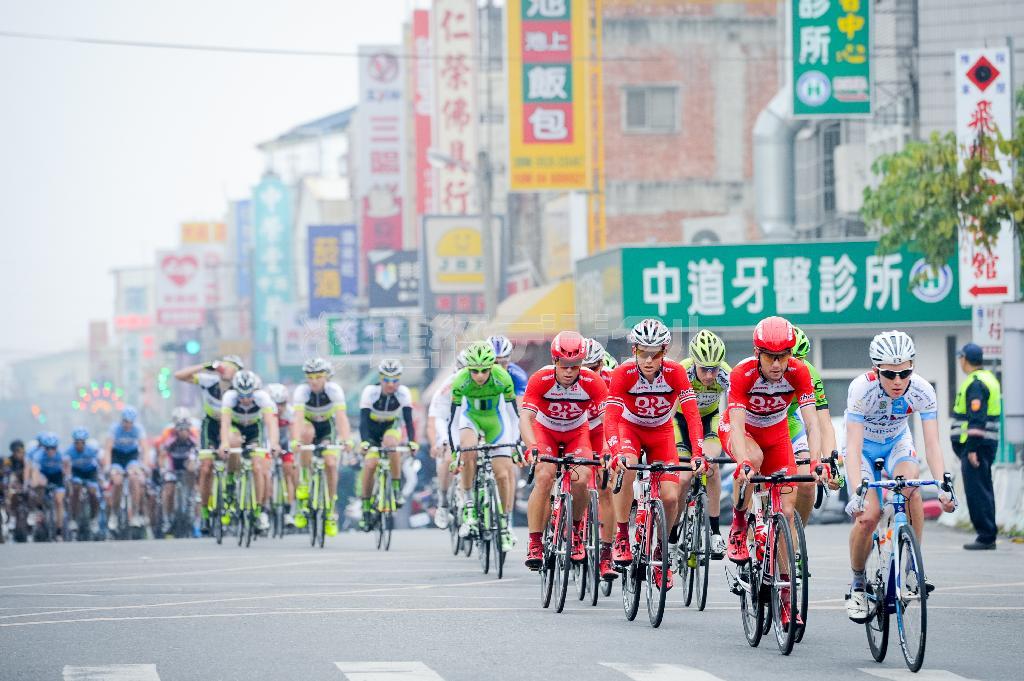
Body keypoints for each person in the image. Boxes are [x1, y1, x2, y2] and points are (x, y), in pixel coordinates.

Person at [843, 330, 956, 621]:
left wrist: (944, 484)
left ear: (912, 368)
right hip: (864, 450)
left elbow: (932, 443)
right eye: (889, 374)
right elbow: (853, 448)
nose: (897, 381)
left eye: (904, 372)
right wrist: (857, 491)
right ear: (875, 370)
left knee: (913, 488)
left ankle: (911, 570)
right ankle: (857, 584)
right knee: (869, 516)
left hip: (897, 443)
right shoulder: (861, 390)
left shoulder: (922, 390)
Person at [721, 316, 825, 629]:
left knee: (786, 512)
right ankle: (739, 525)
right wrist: (742, 461)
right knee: (751, 460)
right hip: (743, 432)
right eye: (771, 357)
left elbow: (811, 422)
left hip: (777, 434)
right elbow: (737, 426)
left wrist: (818, 462)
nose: (778, 364)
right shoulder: (742, 374)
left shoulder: (799, 372)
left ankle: (786, 599)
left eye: (784, 356)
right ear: (758, 353)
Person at [605, 318, 707, 590]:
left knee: (671, 496)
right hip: (630, 429)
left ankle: (661, 554)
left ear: (665, 352)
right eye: (642, 353)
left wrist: (698, 453)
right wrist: (616, 452)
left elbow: (694, 416)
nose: (649, 360)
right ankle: (622, 535)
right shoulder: (623, 373)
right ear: (634, 350)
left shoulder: (675, 373)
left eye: (656, 353)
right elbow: (611, 419)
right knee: (627, 466)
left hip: (661, 433)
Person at [521, 332, 608, 569]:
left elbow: (607, 420)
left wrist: (611, 449)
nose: (569, 371)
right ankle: (535, 542)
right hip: (545, 430)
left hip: (576, 432)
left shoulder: (592, 381)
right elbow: (526, 418)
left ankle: (577, 529)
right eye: (564, 365)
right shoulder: (541, 379)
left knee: (582, 479)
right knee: (544, 476)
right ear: (555, 361)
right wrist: (532, 449)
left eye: (575, 365)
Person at [448, 341, 520, 544]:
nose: (479, 375)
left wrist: (516, 445)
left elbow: (515, 417)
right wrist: (456, 452)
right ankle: (469, 507)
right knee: (468, 452)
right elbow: (452, 422)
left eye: (484, 370)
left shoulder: (502, 377)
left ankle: (505, 525)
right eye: (475, 371)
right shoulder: (460, 380)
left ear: (491, 367)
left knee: (503, 474)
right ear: (468, 369)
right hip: (471, 419)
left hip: (496, 422)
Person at [673, 329, 731, 558]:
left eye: (714, 369)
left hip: (709, 420)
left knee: (713, 466)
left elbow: (736, 406)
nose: (709, 375)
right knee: (684, 477)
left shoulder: (726, 374)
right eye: (704, 369)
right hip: (681, 421)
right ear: (694, 363)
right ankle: (672, 532)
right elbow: (669, 411)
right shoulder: (682, 372)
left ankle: (715, 532)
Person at [175, 355, 243, 531]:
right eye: (223, 366)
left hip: (231, 425)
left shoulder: (241, 386)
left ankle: (229, 482)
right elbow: (179, 375)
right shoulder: (209, 380)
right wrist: (205, 365)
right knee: (206, 468)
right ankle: (205, 513)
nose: (225, 369)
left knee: (234, 445)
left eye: (230, 367)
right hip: (211, 425)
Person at [292, 357, 352, 536]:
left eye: (318, 377)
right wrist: (296, 441)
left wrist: (346, 439)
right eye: (310, 377)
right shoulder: (302, 391)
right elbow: (298, 418)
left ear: (326, 377)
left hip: (327, 427)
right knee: (305, 434)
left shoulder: (334, 390)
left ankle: (330, 509)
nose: (313, 381)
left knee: (331, 463)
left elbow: (341, 417)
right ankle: (304, 481)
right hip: (309, 426)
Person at [358, 359, 418, 530]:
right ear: (380, 378)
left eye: (395, 380)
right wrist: (364, 442)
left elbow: (408, 420)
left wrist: (412, 441)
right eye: (386, 380)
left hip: (390, 428)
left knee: (392, 444)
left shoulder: (404, 393)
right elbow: (363, 421)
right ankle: (366, 507)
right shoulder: (370, 392)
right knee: (370, 465)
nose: (391, 384)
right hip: (371, 432)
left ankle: (396, 490)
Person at [952, 342, 1001, 551]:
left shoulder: (976, 383)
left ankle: (986, 535)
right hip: (983, 445)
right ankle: (987, 533)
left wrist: (971, 448)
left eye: (960, 358)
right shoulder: (988, 379)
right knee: (983, 487)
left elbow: (977, 418)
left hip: (976, 447)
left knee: (977, 490)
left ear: (965, 359)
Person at [788, 326, 839, 526]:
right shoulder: (768, 369)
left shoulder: (809, 373)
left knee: (808, 482)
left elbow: (823, 423)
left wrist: (831, 464)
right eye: (791, 358)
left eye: (801, 358)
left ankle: (796, 540)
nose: (796, 364)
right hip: (761, 422)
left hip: (790, 421)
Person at [219, 370, 280, 532]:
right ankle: (231, 481)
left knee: (258, 467)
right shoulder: (229, 397)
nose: (245, 399)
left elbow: (270, 424)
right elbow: (224, 424)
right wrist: (224, 444)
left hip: (254, 429)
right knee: (232, 443)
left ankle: (259, 509)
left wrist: (274, 444)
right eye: (241, 395)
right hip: (236, 427)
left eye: (249, 395)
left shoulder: (262, 397)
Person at [582, 338, 618, 580]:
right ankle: (559, 511)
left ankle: (606, 555)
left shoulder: (610, 378)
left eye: (594, 367)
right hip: (570, 427)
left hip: (598, 427)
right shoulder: (564, 376)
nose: (588, 374)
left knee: (607, 487)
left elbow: (616, 417)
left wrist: (611, 449)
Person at [426, 350, 466, 529]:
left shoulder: (488, 383)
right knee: (449, 457)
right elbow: (437, 418)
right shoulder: (448, 385)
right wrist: (441, 440)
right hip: (450, 427)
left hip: (474, 426)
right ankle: (443, 502)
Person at [104, 406, 149, 530]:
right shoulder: (114, 429)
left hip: (131, 456)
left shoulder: (138, 429)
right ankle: (114, 513)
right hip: (117, 457)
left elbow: (145, 449)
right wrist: (107, 467)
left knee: (134, 478)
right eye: (125, 422)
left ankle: (134, 514)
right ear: (121, 420)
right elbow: (108, 449)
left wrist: (145, 466)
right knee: (117, 481)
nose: (127, 425)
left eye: (130, 423)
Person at [159, 414, 199, 535]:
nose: (182, 432)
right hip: (173, 467)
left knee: (192, 468)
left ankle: (191, 496)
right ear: (176, 430)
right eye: (180, 429)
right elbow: (162, 455)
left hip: (187, 467)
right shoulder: (171, 440)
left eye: (185, 429)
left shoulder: (193, 440)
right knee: (169, 489)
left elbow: (197, 455)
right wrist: (162, 468)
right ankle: (168, 518)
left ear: (189, 429)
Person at [267, 382, 298, 527]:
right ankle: (265, 506)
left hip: (284, 443)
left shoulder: (290, 413)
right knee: (264, 470)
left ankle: (288, 510)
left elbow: (294, 435)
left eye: (282, 404)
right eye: (275, 404)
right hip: (266, 442)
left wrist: (294, 447)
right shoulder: (263, 411)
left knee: (289, 471)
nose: (278, 408)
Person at [32, 433, 69, 538]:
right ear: (44, 448)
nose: (51, 451)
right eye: (48, 448)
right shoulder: (38, 455)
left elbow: (67, 467)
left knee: (59, 501)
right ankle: (40, 508)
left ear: (56, 447)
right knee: (39, 483)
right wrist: (35, 483)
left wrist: (67, 476)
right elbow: (35, 471)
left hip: (57, 477)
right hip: (44, 475)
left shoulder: (61, 455)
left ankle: (59, 529)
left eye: (53, 448)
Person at [65, 428, 101, 535]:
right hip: (77, 472)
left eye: (82, 443)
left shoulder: (91, 450)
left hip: (90, 472)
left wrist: (101, 477)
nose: (79, 445)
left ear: (85, 443)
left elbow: (99, 464)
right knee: (75, 489)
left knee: (93, 492)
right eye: (77, 442)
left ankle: (94, 518)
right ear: (74, 442)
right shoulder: (69, 451)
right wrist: (67, 477)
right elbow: (66, 466)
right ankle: (74, 519)